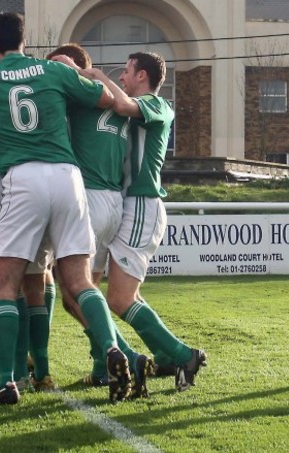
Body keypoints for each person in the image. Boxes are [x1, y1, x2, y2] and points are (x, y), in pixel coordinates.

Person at [0, 12, 130, 404]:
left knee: (5, 281)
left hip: (22, 178)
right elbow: (105, 99)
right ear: (24, 39)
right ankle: (109, 349)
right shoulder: (51, 71)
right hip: (69, 178)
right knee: (79, 280)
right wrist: (79, 74)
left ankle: (6, 379)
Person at [65, 50, 207, 392]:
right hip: (126, 204)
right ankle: (157, 354)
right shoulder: (138, 102)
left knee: (119, 298)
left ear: (142, 76)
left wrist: (94, 75)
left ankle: (184, 354)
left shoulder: (159, 105)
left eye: (126, 72)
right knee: (111, 293)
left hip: (143, 203)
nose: (122, 78)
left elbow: (125, 106)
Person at [47, 44, 155, 398]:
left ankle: (126, 354)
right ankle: (102, 365)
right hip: (113, 204)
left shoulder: (79, 98)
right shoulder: (116, 101)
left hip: (89, 199)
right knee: (84, 290)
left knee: (72, 292)